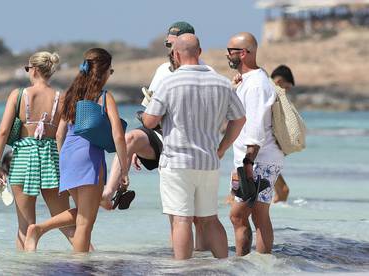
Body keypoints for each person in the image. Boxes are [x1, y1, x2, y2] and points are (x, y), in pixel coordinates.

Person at [143, 34, 246, 260]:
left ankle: (182, 270)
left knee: (182, 220)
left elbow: (150, 122)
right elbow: (239, 119)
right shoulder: (220, 82)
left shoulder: (168, 83)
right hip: (209, 161)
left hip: (177, 162)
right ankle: (225, 267)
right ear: (200, 53)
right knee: (210, 219)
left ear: (176, 55)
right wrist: (222, 148)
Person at [25, 48, 129, 252]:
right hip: (89, 157)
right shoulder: (104, 97)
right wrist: (124, 169)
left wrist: (64, 159)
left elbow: (59, 134)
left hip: (68, 155)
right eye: (111, 71)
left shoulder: (71, 94)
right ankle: (80, 268)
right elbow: (118, 135)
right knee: (85, 223)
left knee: (83, 212)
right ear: (105, 71)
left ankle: (39, 229)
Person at [100, 21, 197, 210]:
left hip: (186, 141)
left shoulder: (200, 72)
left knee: (187, 210)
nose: (170, 50)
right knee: (130, 139)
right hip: (159, 133)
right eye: (167, 45)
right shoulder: (162, 70)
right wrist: (138, 146)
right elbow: (149, 108)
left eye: (172, 45)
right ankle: (109, 193)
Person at [0, 51, 76, 250]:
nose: (28, 71)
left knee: (25, 226)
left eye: (27, 68)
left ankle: (25, 270)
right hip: (51, 158)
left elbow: (3, 131)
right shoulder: (61, 97)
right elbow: (61, 136)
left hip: (23, 156)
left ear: (35, 69)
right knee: (66, 223)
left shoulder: (18, 95)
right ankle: (91, 263)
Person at [226, 32, 284, 256]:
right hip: (255, 159)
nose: (226, 54)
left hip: (258, 159)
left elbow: (257, 126)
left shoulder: (257, 84)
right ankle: (259, 265)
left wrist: (248, 162)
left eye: (230, 50)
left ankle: (244, 264)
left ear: (243, 53)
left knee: (238, 215)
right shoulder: (247, 81)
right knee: (258, 215)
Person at [271, 65, 295, 203]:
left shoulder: (274, 97)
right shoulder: (271, 96)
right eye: (287, 88)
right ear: (279, 81)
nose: (286, 92)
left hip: (264, 152)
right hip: (258, 153)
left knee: (282, 192)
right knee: (282, 192)